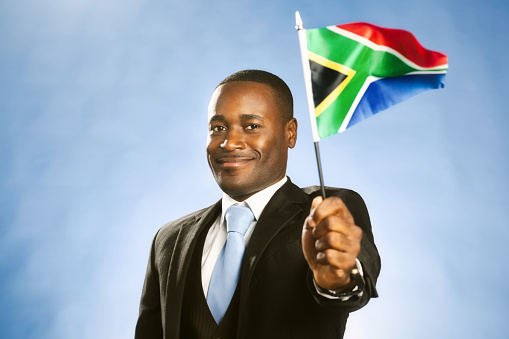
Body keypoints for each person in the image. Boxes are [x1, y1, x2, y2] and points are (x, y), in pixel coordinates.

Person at [135, 70, 381, 339]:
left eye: (251, 126)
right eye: (218, 128)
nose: (229, 143)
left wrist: (337, 281)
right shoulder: (169, 239)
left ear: (290, 132)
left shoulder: (326, 211)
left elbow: (353, 288)